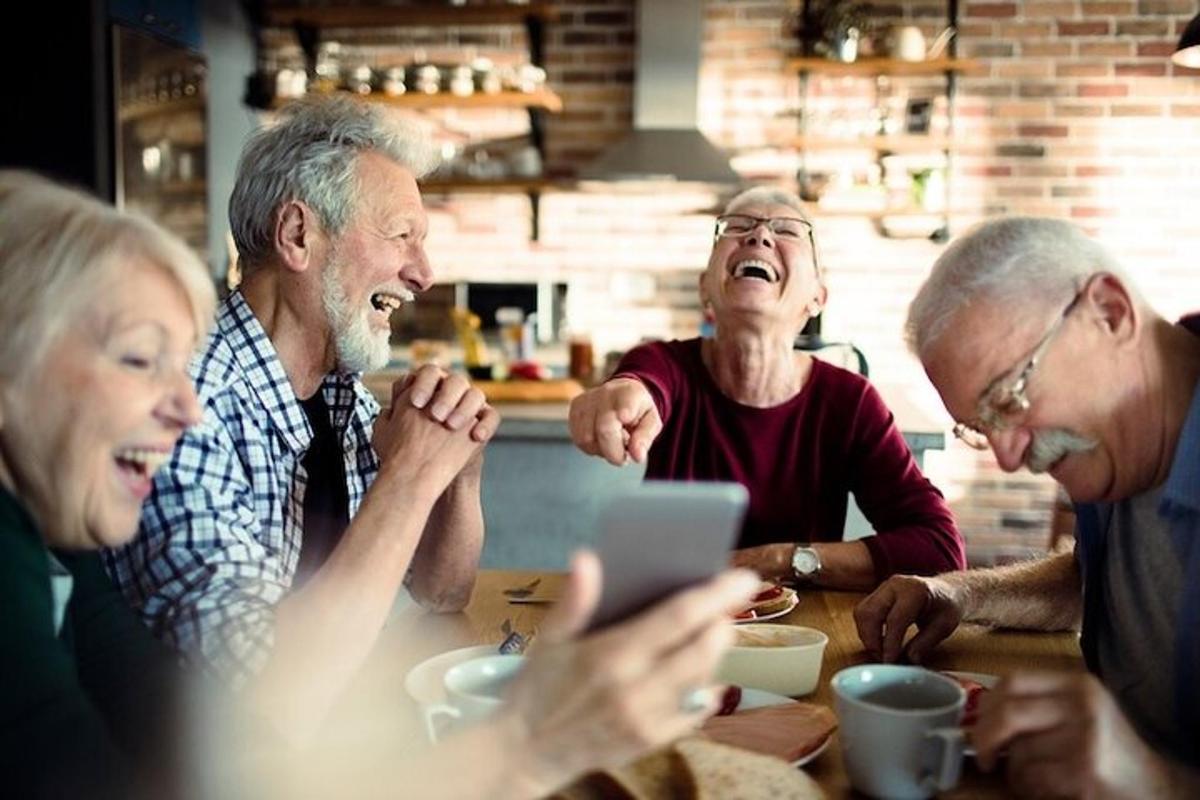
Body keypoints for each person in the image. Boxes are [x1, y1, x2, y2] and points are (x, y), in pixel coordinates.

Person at [4, 171, 762, 800]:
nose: (182, 405)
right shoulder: (190, 418)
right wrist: (527, 741)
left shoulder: (64, 557)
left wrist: (456, 473)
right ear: (299, 237)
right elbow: (256, 709)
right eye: (140, 359)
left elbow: (225, 767)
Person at [103, 95, 500, 739]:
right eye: (402, 235)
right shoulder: (183, 406)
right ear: (298, 236)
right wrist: (412, 474)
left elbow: (441, 592)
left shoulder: (338, 393)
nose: (423, 274)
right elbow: (268, 692)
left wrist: (459, 469)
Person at [854, 217, 1200, 797]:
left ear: (1109, 312)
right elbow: (1089, 582)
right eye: (981, 426)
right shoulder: (1119, 445)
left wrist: (1159, 782)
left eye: (1009, 397)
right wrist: (960, 594)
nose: (1010, 457)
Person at [568, 187, 965, 591]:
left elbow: (939, 550)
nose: (759, 237)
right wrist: (621, 391)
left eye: (788, 231)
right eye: (737, 226)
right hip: (674, 622)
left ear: (816, 298)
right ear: (706, 288)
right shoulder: (666, 365)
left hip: (799, 634)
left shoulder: (849, 401)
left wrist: (776, 560)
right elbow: (640, 383)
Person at [0, 171, 217, 797]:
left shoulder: (54, 521)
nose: (188, 407)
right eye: (140, 359)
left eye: (182, 366)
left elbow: (159, 705)